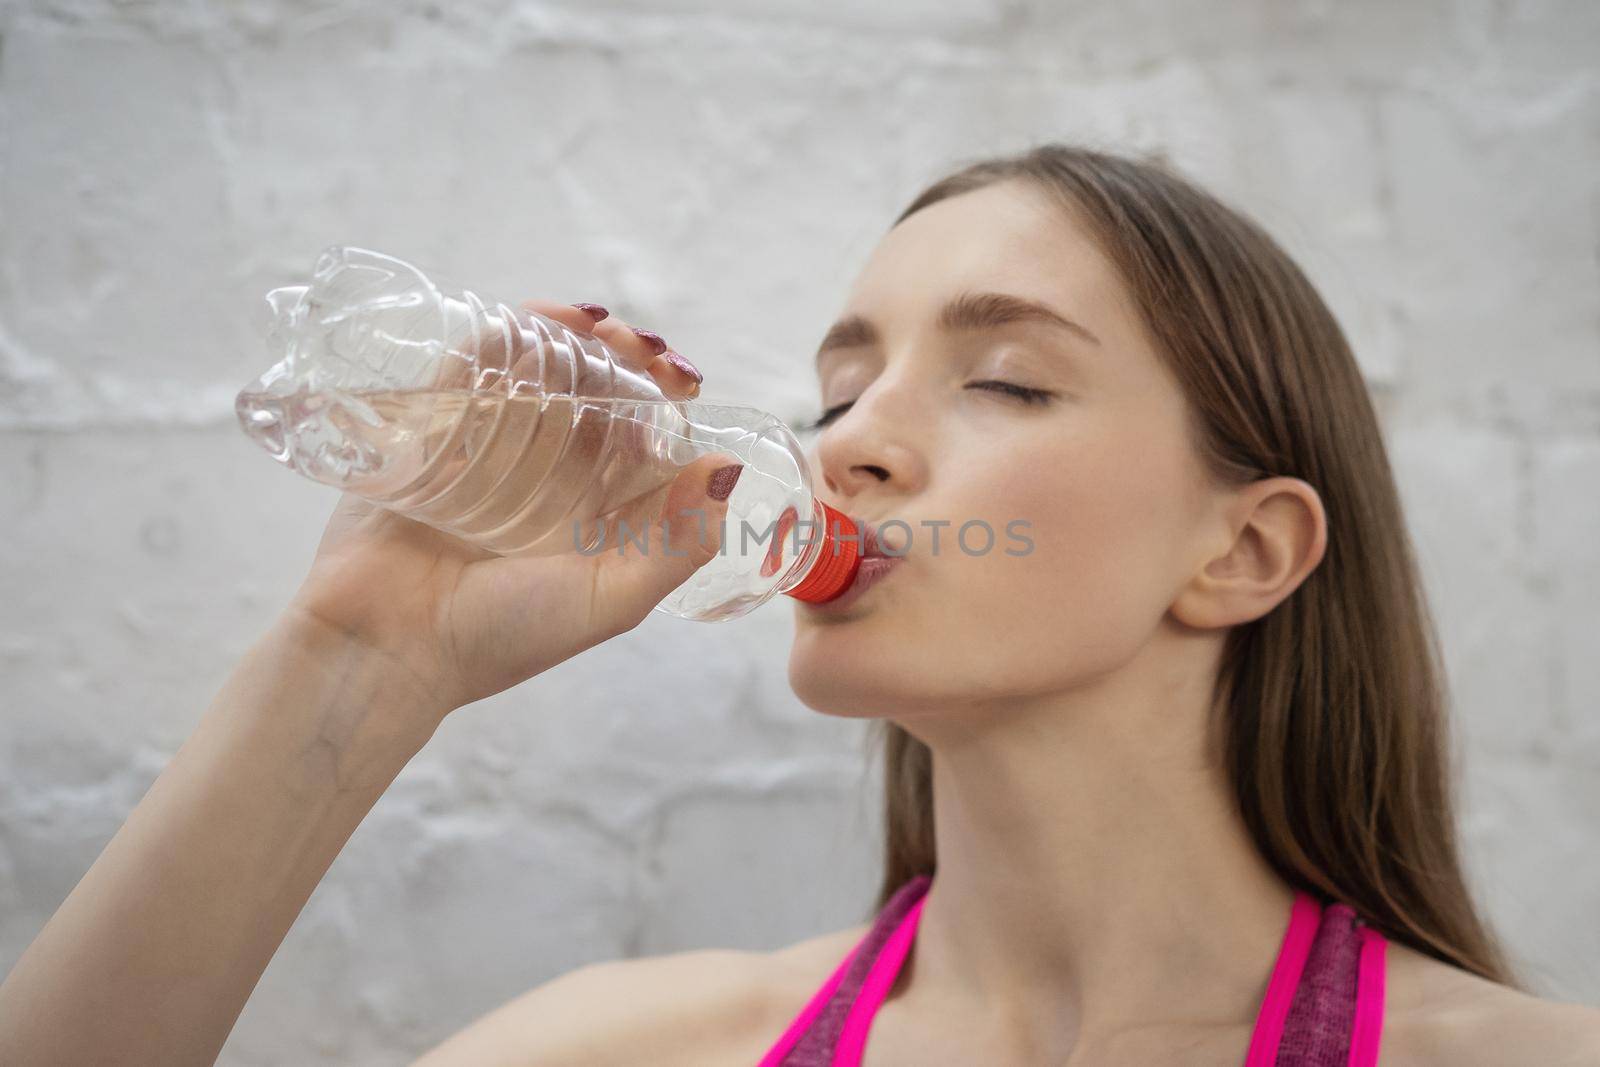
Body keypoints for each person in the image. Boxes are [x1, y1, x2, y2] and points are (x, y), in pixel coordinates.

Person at [2, 144, 1597, 1067]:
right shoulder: (626, 1052)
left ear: (1244, 552)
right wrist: (354, 664)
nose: (851, 447)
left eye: (1004, 380)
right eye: (838, 390)